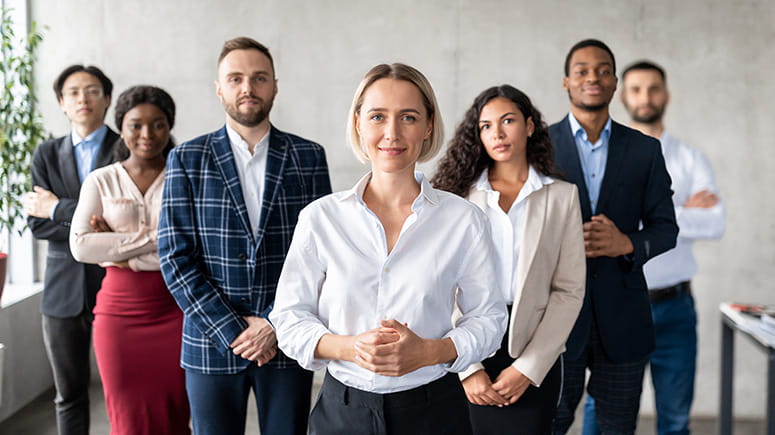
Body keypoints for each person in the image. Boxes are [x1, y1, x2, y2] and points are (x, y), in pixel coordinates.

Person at [270, 63, 507, 435]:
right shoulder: (320, 218)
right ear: (358, 123)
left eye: (408, 117)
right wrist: (350, 347)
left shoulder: (464, 220)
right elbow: (287, 319)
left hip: (435, 412)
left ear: (428, 126)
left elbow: (490, 320)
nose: (392, 133)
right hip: (342, 413)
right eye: (378, 116)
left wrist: (431, 352)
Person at [158, 36, 332, 435]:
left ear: (274, 86)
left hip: (286, 339)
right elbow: (175, 258)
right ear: (219, 88)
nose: (247, 88)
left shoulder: (308, 157)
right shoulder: (187, 158)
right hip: (210, 340)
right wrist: (234, 329)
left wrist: (273, 323)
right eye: (235, 79)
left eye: (259, 78)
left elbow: (322, 257)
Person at [432, 85, 586, 434]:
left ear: (529, 126)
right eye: (486, 126)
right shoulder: (456, 198)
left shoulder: (561, 197)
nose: (497, 133)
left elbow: (569, 290)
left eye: (508, 121)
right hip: (464, 342)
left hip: (533, 346)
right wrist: (467, 367)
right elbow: (439, 285)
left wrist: (528, 368)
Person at [582, 61, 725, 435]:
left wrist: (657, 216)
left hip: (674, 310)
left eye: (653, 88)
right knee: (602, 413)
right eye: (636, 89)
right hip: (617, 306)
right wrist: (676, 211)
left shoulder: (692, 159)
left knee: (675, 420)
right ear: (621, 94)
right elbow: (598, 226)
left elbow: (714, 223)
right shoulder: (605, 157)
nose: (645, 97)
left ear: (667, 94)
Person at [548, 39, 679, 435]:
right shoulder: (539, 147)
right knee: (548, 424)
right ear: (566, 82)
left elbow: (667, 229)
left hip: (624, 321)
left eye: (603, 70)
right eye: (583, 70)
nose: (593, 77)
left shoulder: (644, 150)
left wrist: (628, 244)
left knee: (617, 429)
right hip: (555, 322)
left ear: (615, 82)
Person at [69, 85, 189, 435]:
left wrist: (115, 246)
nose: (147, 134)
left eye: (158, 125)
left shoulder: (186, 178)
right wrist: (162, 240)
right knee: (126, 417)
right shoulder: (101, 180)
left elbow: (195, 245)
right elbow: (81, 247)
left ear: (170, 128)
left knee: (175, 412)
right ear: (121, 126)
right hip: (118, 315)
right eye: (136, 125)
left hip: (176, 310)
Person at [23, 64, 117, 435]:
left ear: (107, 99)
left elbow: (122, 223)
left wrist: (59, 208)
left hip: (116, 283)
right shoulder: (45, 153)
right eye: (74, 92)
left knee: (121, 390)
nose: (83, 98)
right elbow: (37, 223)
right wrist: (94, 221)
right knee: (69, 394)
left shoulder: (127, 146)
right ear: (62, 103)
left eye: (92, 90)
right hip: (62, 291)